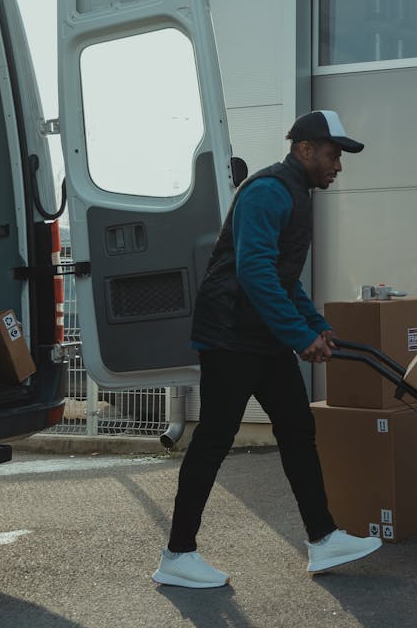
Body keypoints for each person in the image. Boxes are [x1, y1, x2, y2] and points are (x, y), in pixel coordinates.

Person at [152, 109, 382, 589]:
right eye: (332, 155)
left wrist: (316, 326)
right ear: (304, 149)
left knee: (298, 431)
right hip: (230, 336)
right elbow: (254, 271)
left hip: (261, 338)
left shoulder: (296, 193)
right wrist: (300, 337)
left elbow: (283, 278)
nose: (338, 165)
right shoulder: (268, 191)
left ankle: (323, 538)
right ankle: (177, 555)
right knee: (214, 440)